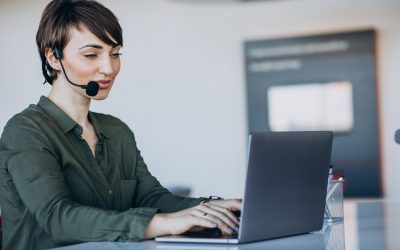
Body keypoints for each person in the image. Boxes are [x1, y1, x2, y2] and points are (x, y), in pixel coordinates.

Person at [0, 0, 241, 249]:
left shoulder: (117, 131)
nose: (109, 68)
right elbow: (58, 217)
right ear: (53, 57)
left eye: (115, 54)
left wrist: (210, 208)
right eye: (92, 54)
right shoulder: (25, 131)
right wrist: (161, 223)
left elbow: (150, 197)